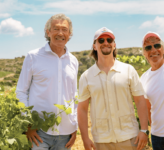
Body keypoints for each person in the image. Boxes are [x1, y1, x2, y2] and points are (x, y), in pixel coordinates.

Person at [78, 27, 149, 150]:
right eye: (101, 40)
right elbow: (82, 109)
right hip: (101, 141)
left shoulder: (128, 70)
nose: (105, 43)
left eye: (109, 40)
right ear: (94, 46)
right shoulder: (86, 77)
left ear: (114, 45)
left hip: (130, 138)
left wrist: (144, 130)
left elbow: (140, 101)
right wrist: (85, 138)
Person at [16, 13, 78, 150]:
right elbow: (21, 91)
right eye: (56, 29)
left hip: (65, 134)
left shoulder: (73, 61)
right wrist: (28, 124)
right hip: (38, 133)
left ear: (69, 34)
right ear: (48, 32)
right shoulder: (33, 57)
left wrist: (75, 126)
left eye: (64, 29)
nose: (60, 33)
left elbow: (74, 96)